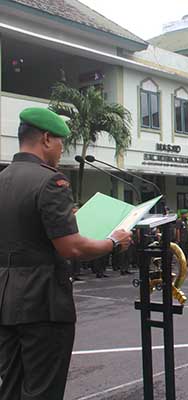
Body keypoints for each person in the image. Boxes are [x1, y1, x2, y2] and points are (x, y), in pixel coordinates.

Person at [0, 107, 132, 400]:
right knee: (43, 390)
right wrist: (113, 241)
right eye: (61, 141)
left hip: (5, 301)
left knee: (10, 386)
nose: (62, 149)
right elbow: (71, 247)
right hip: (42, 302)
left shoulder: (3, 178)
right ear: (47, 138)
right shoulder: (51, 181)